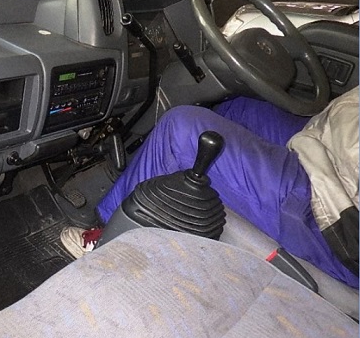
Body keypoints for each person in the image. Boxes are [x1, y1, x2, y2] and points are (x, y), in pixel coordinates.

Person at [61, 88, 359, 288]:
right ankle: (177, 214)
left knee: (179, 131)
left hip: (335, 211)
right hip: (329, 147)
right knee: (239, 108)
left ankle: (109, 240)